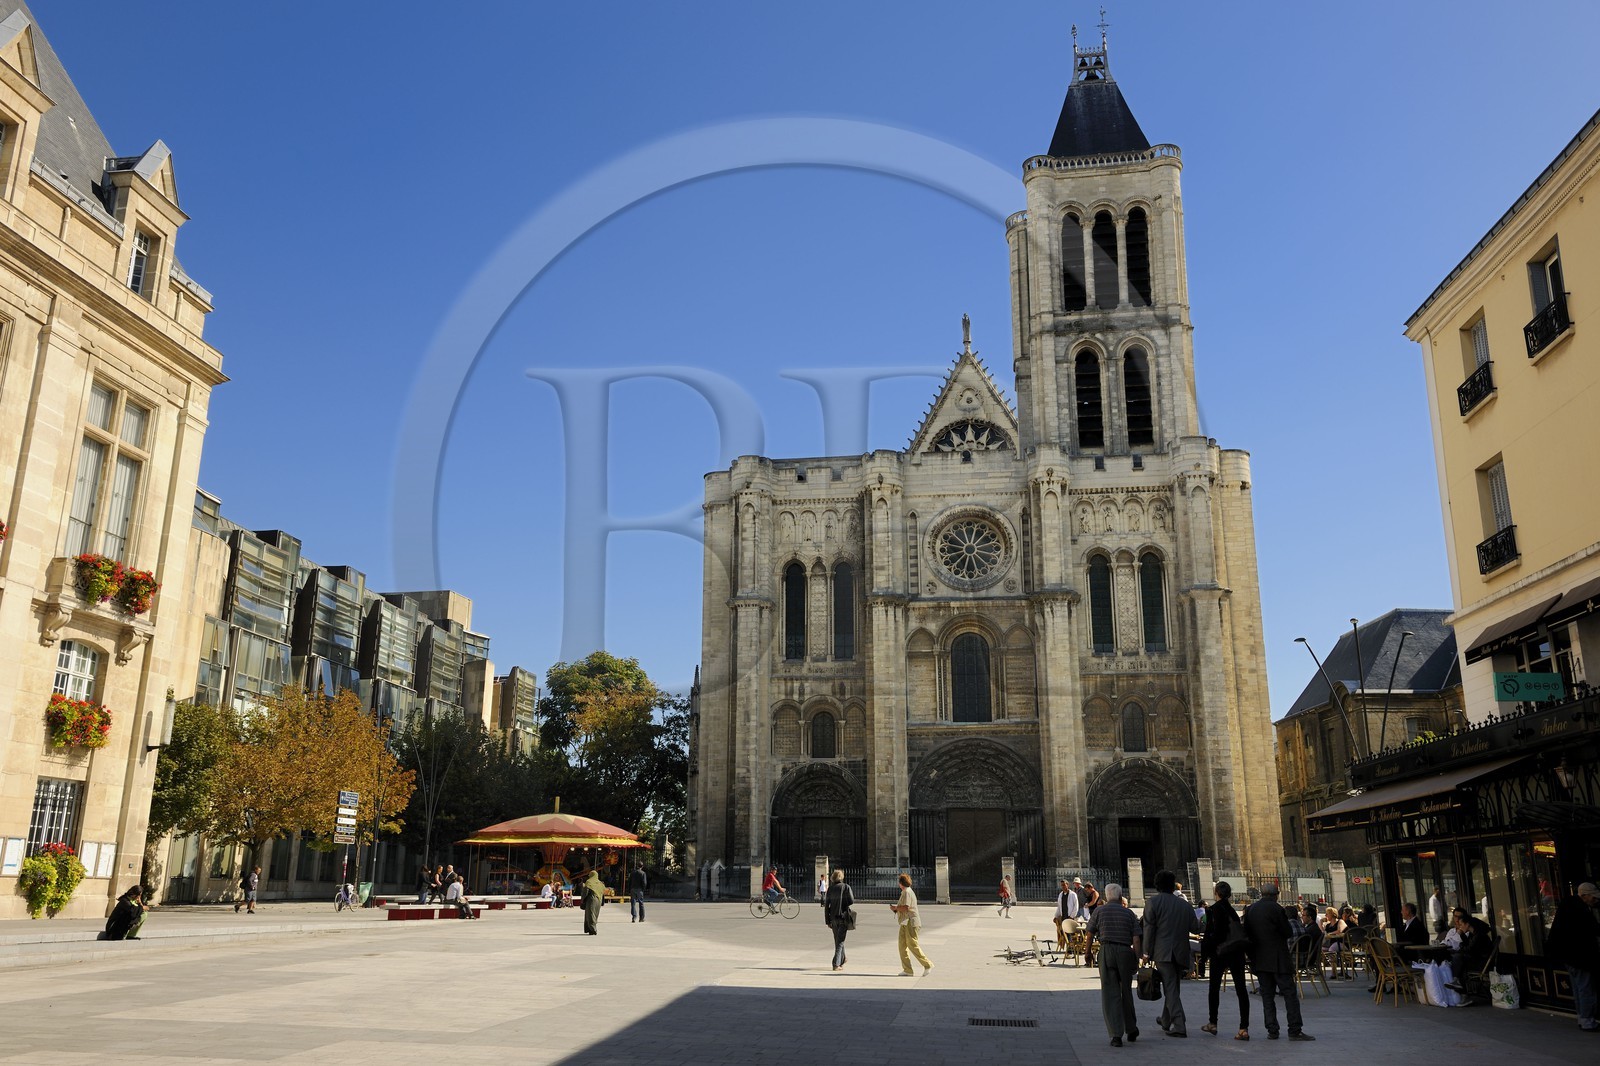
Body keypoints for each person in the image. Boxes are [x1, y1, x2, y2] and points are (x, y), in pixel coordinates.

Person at [1243, 882, 1314, 1041]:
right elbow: (1287, 931)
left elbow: (1246, 934)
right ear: (1275, 894)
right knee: (1289, 994)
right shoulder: (1276, 909)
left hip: (1260, 960)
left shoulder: (1252, 909)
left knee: (1267, 997)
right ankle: (1294, 1030)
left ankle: (1272, 1030)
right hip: (1279, 959)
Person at [1141, 868, 1200, 1038]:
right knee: (1173, 986)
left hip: (1163, 952)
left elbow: (1149, 929)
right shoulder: (1184, 905)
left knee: (1171, 988)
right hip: (1181, 951)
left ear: (1157, 885)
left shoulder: (1153, 903)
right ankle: (1166, 1020)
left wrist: (1146, 952)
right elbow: (1195, 928)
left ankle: (1180, 1025)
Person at [1086, 883, 1141, 1048]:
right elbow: (1136, 939)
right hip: (1125, 951)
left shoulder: (1099, 911)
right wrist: (1137, 958)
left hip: (1106, 950)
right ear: (1119, 896)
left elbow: (1090, 933)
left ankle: (1116, 1035)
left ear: (1107, 895)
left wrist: (1087, 952)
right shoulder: (1129, 913)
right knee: (1126, 991)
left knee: (1110, 993)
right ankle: (1131, 1029)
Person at [1545, 882, 1600, 1032]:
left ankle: (1583, 1017)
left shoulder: (1567, 906)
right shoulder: (1579, 909)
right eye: (1593, 898)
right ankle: (1587, 1019)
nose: (1595, 901)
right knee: (1585, 987)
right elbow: (1592, 929)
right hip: (1579, 956)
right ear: (1585, 896)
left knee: (1578, 986)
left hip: (1568, 955)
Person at [1199, 881, 1249, 1040]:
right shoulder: (1232, 911)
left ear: (1216, 893)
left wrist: (1205, 954)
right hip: (1236, 952)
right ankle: (1243, 1028)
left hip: (1220, 953)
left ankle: (1213, 1022)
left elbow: (1211, 934)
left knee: (1214, 988)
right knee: (1241, 989)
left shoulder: (1213, 910)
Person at [889, 873, 933, 976]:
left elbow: (906, 907)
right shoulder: (906, 892)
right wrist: (896, 909)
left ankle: (927, 964)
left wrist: (895, 908)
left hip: (911, 922)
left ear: (901, 883)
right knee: (902, 946)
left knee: (912, 944)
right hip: (905, 922)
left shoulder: (907, 892)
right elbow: (904, 908)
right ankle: (907, 970)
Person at [1446, 910, 1494, 991]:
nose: (1460, 927)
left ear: (1467, 924)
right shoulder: (1473, 934)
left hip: (1481, 963)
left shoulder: (1479, 935)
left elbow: (1469, 949)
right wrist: (1462, 936)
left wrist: (1461, 942)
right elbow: (1468, 946)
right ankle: (1457, 982)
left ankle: (1458, 982)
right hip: (1476, 959)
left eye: (1461, 924)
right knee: (1457, 957)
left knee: (1458, 958)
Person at [823, 868, 855, 971]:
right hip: (842, 917)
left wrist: (827, 921)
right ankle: (835, 964)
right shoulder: (846, 887)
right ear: (841, 877)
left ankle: (843, 958)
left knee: (838, 940)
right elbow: (851, 900)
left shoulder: (830, 889)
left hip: (833, 918)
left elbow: (826, 905)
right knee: (840, 942)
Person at [1055, 878, 1082, 949]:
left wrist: (1071, 916)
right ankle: (1068, 947)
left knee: (1070, 932)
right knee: (1064, 933)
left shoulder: (1073, 895)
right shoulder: (1061, 895)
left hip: (1070, 917)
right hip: (1063, 916)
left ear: (1067, 885)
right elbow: (1059, 906)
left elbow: (1076, 906)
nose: (1063, 886)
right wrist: (1056, 916)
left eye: (1064, 885)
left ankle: (1071, 948)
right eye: (1062, 885)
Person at [580, 868, 604, 934]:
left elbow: (585, 892)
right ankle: (590, 929)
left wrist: (582, 900)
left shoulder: (589, 882)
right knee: (595, 914)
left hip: (591, 900)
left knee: (590, 914)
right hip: (599, 900)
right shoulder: (600, 883)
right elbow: (602, 892)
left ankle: (593, 929)